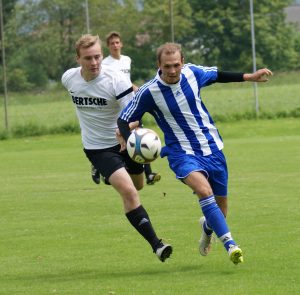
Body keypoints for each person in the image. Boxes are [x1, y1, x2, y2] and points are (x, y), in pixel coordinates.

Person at [117, 42, 273, 264]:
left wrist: (250, 77)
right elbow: (124, 118)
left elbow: (218, 75)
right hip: (181, 153)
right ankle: (231, 245)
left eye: (176, 65)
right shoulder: (149, 91)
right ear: (158, 65)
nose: (172, 71)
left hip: (212, 148)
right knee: (203, 190)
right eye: (167, 66)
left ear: (182, 62)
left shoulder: (192, 72)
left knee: (221, 209)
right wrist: (128, 139)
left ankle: (207, 227)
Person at [61, 34, 172, 262]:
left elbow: (134, 114)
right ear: (77, 59)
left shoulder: (115, 81)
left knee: (138, 186)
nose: (94, 63)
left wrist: (125, 130)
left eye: (97, 57)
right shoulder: (69, 79)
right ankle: (158, 245)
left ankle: (107, 174)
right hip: (97, 148)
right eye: (88, 58)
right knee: (129, 192)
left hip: (124, 143)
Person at [91, 31, 161, 186]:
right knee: (126, 136)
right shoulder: (106, 63)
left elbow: (126, 81)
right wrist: (136, 89)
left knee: (139, 133)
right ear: (108, 47)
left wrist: (136, 90)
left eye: (117, 42)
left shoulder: (127, 60)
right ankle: (100, 166)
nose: (115, 45)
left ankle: (148, 174)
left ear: (121, 44)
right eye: (112, 43)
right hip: (114, 104)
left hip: (127, 100)